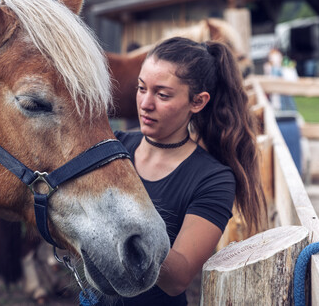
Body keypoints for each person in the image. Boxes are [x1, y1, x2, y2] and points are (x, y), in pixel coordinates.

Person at [108, 37, 266, 305]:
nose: (146, 103)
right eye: (141, 88)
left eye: (162, 94)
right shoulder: (113, 147)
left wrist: (116, 219)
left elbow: (178, 278)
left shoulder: (213, 179)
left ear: (198, 102)